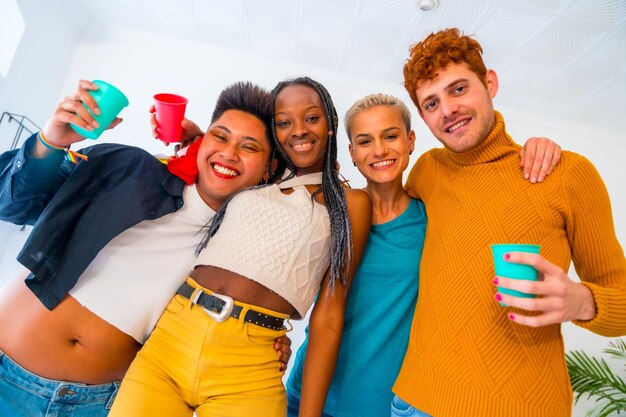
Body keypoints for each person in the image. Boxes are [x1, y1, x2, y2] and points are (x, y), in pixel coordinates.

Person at [0, 80, 292, 417]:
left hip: (96, 405)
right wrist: (49, 141)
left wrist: (267, 344)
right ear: (203, 139)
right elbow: (13, 205)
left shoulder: (238, 252)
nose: (228, 153)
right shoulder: (127, 166)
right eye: (221, 136)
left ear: (269, 169)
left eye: (250, 147)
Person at [392, 28, 626, 417]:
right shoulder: (426, 173)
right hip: (414, 400)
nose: (447, 109)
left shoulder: (567, 174)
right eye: (431, 102)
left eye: (458, 89)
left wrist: (584, 301)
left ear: (490, 83)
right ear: (423, 117)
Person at [285, 90, 562, 416]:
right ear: (352, 152)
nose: (379, 150)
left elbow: (488, 191)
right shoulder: (329, 211)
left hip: (383, 404)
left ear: (410, 140)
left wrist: (534, 149)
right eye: (364, 141)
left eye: (390, 136)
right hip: (309, 397)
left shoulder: (432, 218)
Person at [107, 76, 372, 417]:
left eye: (312, 117)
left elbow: (330, 316)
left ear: (330, 124)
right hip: (171, 339)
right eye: (283, 122)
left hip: (251, 365)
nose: (299, 130)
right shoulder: (261, 178)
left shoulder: (350, 203)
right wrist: (198, 136)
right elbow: (228, 157)